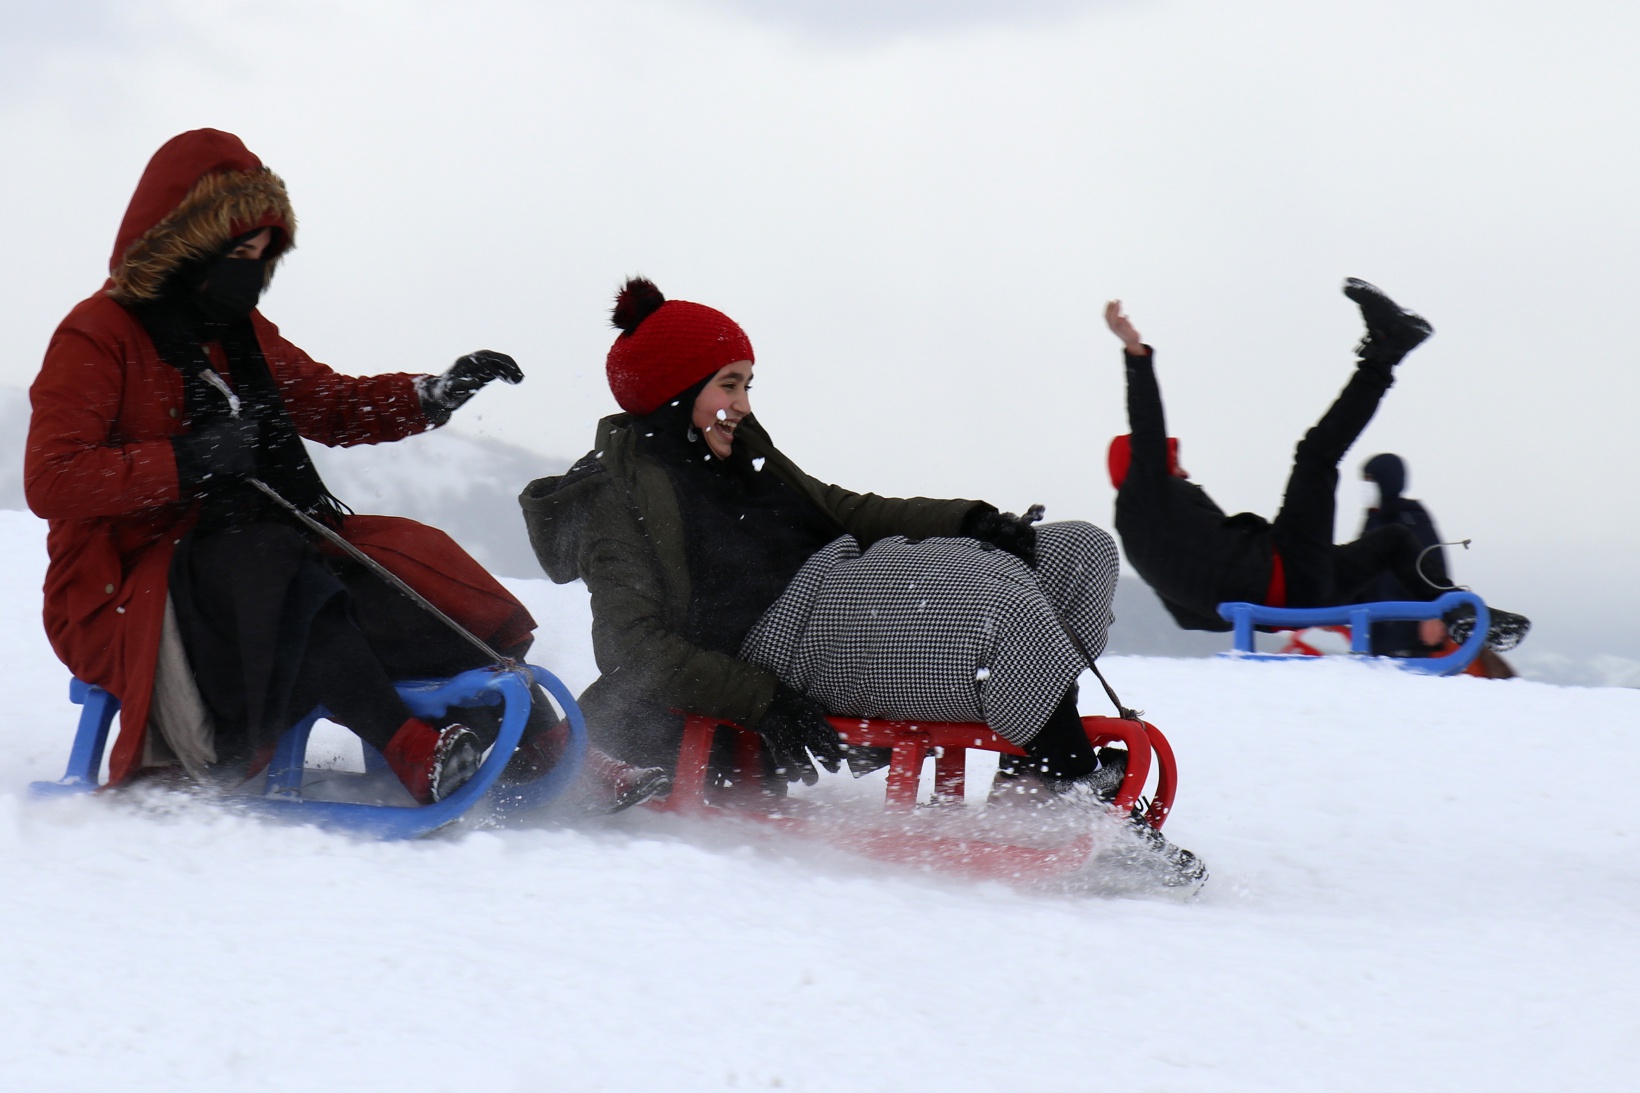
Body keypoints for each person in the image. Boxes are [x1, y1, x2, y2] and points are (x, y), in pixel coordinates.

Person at [25, 129, 664, 809]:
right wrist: (189, 461)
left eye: (262, 255)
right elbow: (54, 477)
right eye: (238, 252)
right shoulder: (97, 335)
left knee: (400, 579)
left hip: (245, 558)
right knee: (275, 561)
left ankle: (550, 744)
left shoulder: (239, 334)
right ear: (183, 243)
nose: (252, 269)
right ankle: (407, 746)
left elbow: (329, 404)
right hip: (124, 587)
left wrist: (430, 394)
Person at [522, 278, 1204, 884]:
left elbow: (842, 511)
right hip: (781, 640)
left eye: (747, 383)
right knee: (1001, 608)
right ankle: (1073, 793)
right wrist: (763, 701)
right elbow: (634, 648)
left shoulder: (740, 451)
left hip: (845, 580)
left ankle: (1033, 776)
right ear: (674, 392)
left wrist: (972, 522)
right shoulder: (618, 497)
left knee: (1078, 552)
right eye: (728, 384)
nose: (743, 402)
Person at [1105, 279, 1528, 652]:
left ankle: (1462, 615)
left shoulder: (1144, 540)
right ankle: (1386, 350)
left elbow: (1187, 617)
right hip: (1286, 574)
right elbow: (1147, 430)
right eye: (1173, 461)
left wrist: (1255, 610)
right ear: (1144, 466)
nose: (1184, 470)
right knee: (1315, 456)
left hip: (1292, 596)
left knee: (1395, 541)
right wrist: (1135, 354)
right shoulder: (1144, 495)